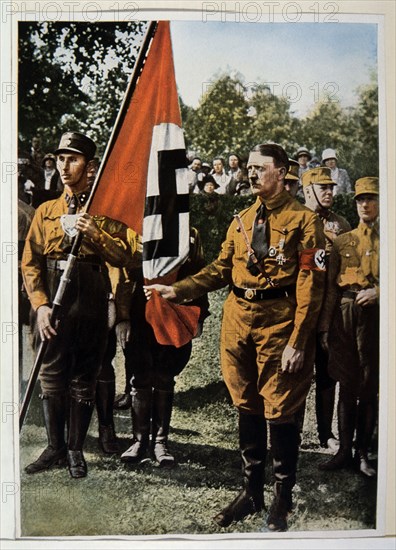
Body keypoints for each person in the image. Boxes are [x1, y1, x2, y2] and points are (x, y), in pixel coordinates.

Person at [144, 143, 326, 531]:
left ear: (282, 172)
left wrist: (299, 339)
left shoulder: (305, 222)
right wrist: (179, 290)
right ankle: (251, 492)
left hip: (280, 323)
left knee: (279, 407)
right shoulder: (241, 220)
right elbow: (219, 269)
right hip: (237, 320)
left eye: (260, 168)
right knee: (246, 403)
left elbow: (312, 285)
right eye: (249, 168)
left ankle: (282, 497)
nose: (252, 173)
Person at [21, 131, 138, 479]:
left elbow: (128, 255)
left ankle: (75, 450)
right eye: (61, 159)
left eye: (73, 159)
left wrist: (96, 234)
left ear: (90, 166)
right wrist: (40, 305)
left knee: (84, 377)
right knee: (51, 375)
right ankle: (54, 447)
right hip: (53, 299)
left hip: (90, 296)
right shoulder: (45, 211)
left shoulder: (105, 211)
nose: (65, 166)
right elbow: (30, 263)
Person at [118, 227, 209, 468]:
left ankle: (160, 442)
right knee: (140, 377)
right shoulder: (138, 230)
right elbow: (126, 277)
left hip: (174, 315)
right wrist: (123, 317)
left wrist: (199, 317)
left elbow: (197, 277)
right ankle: (138, 441)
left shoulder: (186, 229)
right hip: (141, 315)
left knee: (164, 377)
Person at [318, 177, 379, 477]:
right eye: (360, 199)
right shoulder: (342, 240)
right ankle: (343, 450)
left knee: (369, 386)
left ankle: (363, 453)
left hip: (374, 318)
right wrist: (325, 327)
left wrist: (381, 292)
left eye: (372, 198)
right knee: (345, 383)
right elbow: (331, 288)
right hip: (344, 312)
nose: (365, 204)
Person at [301, 167, 351, 451]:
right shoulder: (296, 219)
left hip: (330, 307)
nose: (330, 192)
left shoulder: (341, 224)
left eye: (331, 187)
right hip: (299, 306)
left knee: (328, 369)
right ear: (309, 191)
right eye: (323, 188)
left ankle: (325, 433)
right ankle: (291, 431)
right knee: (295, 372)